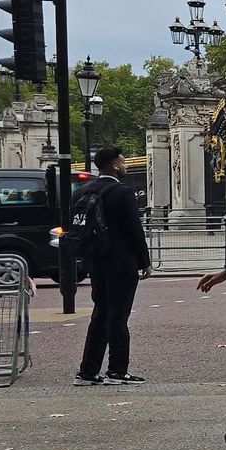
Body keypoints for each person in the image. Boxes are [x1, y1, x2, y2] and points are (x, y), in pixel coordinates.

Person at [74, 147, 153, 386]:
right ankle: (117, 370)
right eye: (123, 161)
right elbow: (134, 229)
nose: (125, 165)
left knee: (99, 315)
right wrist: (145, 261)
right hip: (121, 263)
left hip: (96, 261)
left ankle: (87, 371)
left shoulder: (83, 191)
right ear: (114, 165)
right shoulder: (123, 192)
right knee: (118, 317)